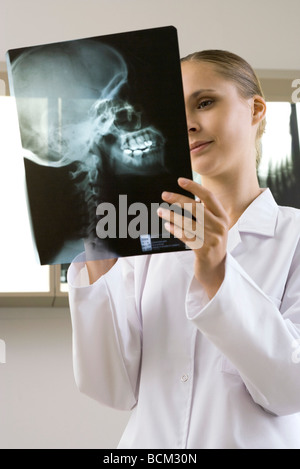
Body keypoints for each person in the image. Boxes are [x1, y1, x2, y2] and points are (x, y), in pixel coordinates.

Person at [67, 50, 300, 449]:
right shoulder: (148, 240)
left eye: (205, 102)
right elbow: (111, 390)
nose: (188, 124)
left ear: (256, 108)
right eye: (177, 111)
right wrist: (100, 269)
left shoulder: (294, 237)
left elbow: (289, 389)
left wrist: (217, 274)